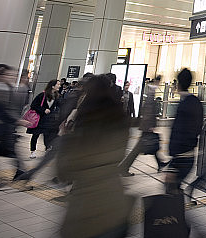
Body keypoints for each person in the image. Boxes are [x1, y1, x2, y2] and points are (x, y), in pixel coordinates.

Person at [56, 74, 132, 238]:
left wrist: (65, 138)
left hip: (85, 214)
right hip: (117, 207)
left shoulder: (84, 122)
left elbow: (64, 173)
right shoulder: (119, 118)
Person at [166, 68, 203, 202]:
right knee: (174, 189)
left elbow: (178, 131)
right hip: (190, 154)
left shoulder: (184, 105)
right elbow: (198, 127)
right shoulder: (196, 102)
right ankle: (180, 217)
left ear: (178, 84)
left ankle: (179, 220)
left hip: (180, 156)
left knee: (171, 190)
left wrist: (173, 154)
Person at [118, 75, 168, 176]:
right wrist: (150, 125)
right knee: (140, 148)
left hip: (146, 125)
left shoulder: (150, 91)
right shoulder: (151, 91)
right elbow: (149, 109)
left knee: (152, 146)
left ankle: (160, 163)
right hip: (147, 126)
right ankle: (123, 168)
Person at [27, 79, 61, 159]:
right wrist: (43, 110)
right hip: (40, 118)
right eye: (58, 84)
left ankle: (47, 149)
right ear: (52, 86)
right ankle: (33, 151)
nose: (59, 86)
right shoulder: (42, 95)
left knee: (48, 135)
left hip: (49, 119)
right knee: (36, 135)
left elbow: (59, 105)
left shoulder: (56, 96)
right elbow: (33, 105)